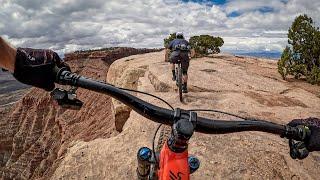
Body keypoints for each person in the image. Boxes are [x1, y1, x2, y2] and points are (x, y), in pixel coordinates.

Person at [0, 36, 319, 158]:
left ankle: (179, 79)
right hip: (184, 64)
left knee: (177, 67)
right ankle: (185, 81)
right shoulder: (185, 45)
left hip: (172, 65)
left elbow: (170, 53)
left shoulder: (173, 45)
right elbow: (186, 52)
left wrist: (18, 63)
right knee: (185, 68)